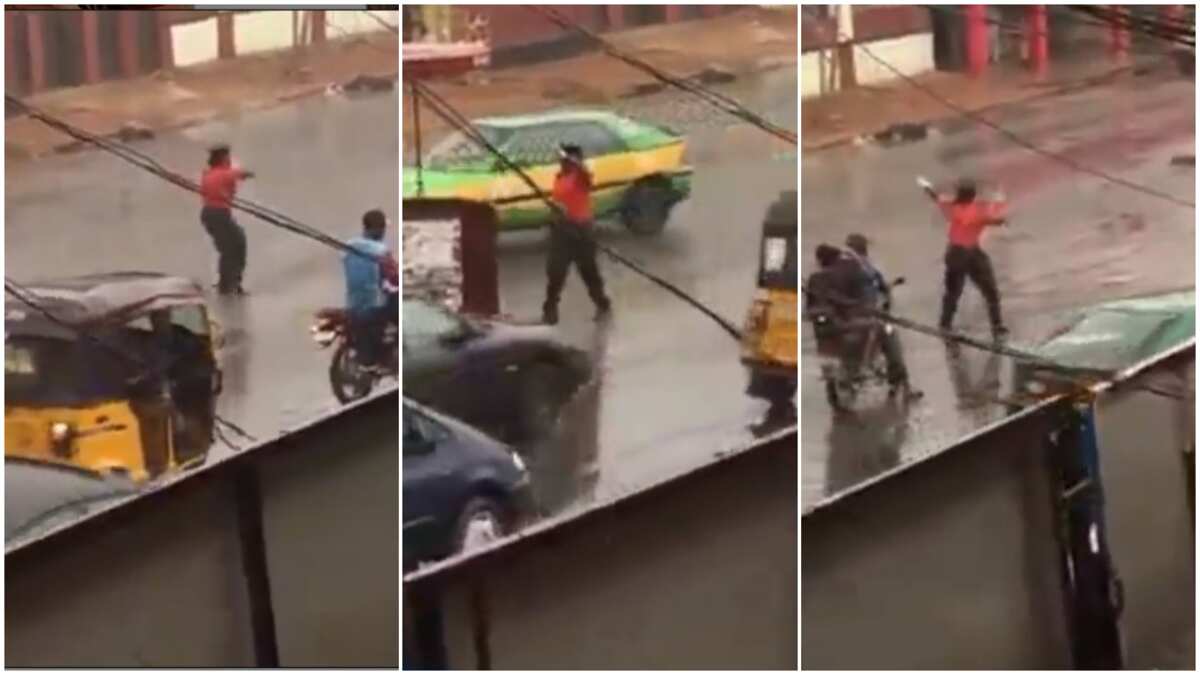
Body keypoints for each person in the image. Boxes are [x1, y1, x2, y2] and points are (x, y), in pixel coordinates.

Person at [918, 176, 1008, 340]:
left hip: (955, 254)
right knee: (990, 291)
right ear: (973, 196)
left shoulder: (952, 207)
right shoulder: (977, 211)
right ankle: (997, 326)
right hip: (972, 253)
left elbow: (936, 197)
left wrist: (926, 186)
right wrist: (999, 200)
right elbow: (994, 218)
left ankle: (945, 324)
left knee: (952, 292)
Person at [542, 143, 611, 325]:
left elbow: (587, 178)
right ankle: (550, 309)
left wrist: (577, 162)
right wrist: (554, 213)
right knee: (555, 273)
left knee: (589, 272)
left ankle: (602, 303)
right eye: (561, 160)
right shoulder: (559, 177)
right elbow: (560, 201)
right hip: (561, 232)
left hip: (581, 231)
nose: (560, 162)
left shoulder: (580, 176)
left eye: (564, 160)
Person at [200, 144, 254, 296]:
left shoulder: (208, 174)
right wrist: (248, 174)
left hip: (208, 214)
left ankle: (226, 283)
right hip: (219, 214)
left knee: (228, 249)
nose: (229, 160)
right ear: (223, 159)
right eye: (228, 157)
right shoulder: (225, 173)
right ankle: (231, 285)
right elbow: (240, 174)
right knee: (236, 245)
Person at [343, 209, 394, 372]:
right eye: (383, 228)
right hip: (373, 306)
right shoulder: (381, 251)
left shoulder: (349, 246)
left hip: (352, 303)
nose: (384, 232)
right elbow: (392, 278)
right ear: (377, 229)